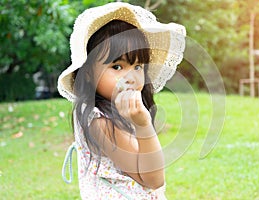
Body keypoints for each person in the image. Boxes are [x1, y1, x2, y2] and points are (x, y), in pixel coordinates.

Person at [58, 2, 185, 199]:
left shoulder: (117, 112)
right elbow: (153, 179)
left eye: (137, 66)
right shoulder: (99, 120)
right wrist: (143, 126)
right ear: (88, 73)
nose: (131, 78)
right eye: (117, 67)